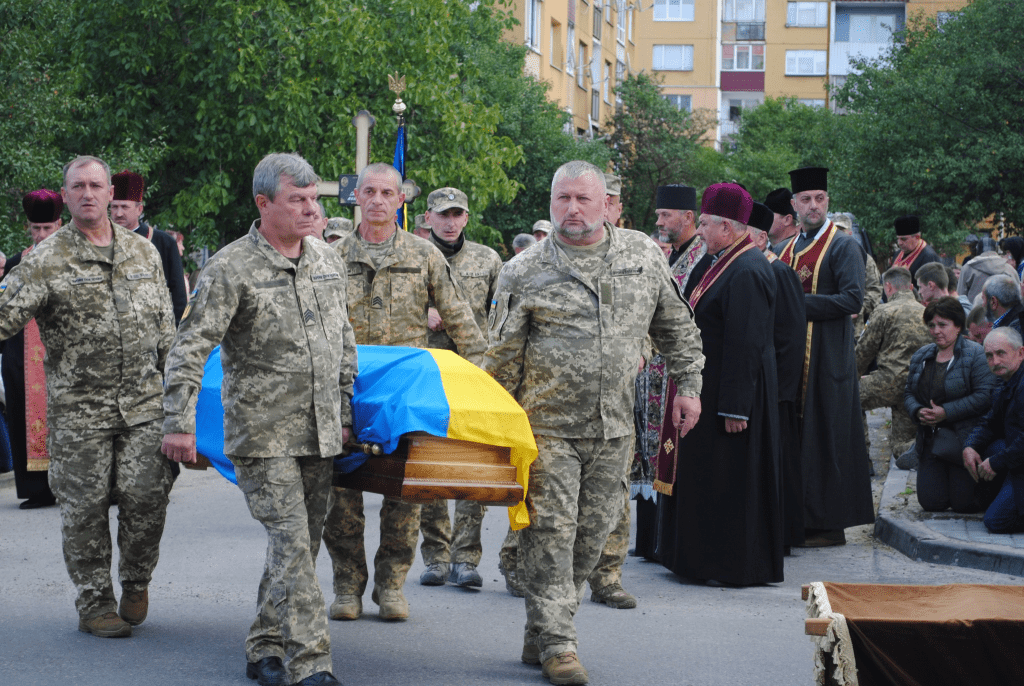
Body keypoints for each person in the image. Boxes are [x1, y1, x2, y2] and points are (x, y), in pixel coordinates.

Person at [484, 161, 704, 685]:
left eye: (584, 199)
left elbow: (675, 327)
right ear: (551, 201)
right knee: (552, 536)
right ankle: (560, 644)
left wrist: (689, 388)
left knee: (592, 538)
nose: (573, 209)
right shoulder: (524, 269)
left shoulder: (641, 256)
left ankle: (542, 629)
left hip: (613, 428)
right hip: (546, 429)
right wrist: (498, 431)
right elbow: (500, 356)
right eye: (563, 199)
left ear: (607, 204)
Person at [161, 153, 351, 686]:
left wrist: (345, 411)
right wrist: (178, 420)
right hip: (263, 435)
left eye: (315, 199)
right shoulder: (229, 266)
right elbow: (190, 346)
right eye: (299, 200)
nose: (312, 210)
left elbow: (344, 341)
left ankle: (264, 644)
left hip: (319, 431)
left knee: (301, 544)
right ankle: (311, 663)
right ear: (264, 204)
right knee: (292, 543)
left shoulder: (326, 260)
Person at [0, 155, 175, 639]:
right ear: (66, 195)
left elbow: (166, 330)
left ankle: (136, 580)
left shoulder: (145, 254)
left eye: (96, 185)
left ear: (109, 190)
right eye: (77, 186)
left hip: (144, 406)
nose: (88, 193)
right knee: (85, 510)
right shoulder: (46, 259)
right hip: (80, 412)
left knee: (147, 500)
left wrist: (181, 394)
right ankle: (95, 602)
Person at [323, 163, 485, 622]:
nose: (377, 199)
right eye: (368, 191)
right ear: (356, 197)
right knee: (341, 495)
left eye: (387, 192)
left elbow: (461, 321)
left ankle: (391, 585)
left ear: (401, 201)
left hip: (404, 395)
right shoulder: (329, 259)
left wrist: (485, 381)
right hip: (346, 391)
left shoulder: (424, 254)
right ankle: (347, 586)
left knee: (404, 495)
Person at [653, 183, 782, 585]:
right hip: (712, 390)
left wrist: (735, 409)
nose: (702, 231)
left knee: (727, 483)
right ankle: (697, 558)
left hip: (730, 402)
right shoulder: (725, 260)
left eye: (706, 224)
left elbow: (747, 345)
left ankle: (724, 564)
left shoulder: (747, 269)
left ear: (727, 227)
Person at [778, 167, 874, 547]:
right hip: (794, 359)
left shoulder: (843, 245)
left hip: (828, 359)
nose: (813, 205)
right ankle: (803, 519)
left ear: (828, 202)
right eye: (806, 199)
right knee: (802, 439)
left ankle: (829, 526)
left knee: (827, 438)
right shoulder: (788, 247)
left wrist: (796, 305)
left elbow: (853, 299)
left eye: (820, 198)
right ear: (794, 205)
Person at [416, 186, 502, 590]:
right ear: (427, 218)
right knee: (429, 464)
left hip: (473, 372)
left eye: (457, 214)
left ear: (467, 218)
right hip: (429, 372)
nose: (450, 222)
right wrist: (426, 312)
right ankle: (436, 556)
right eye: (442, 215)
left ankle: (466, 559)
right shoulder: (414, 257)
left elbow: (502, 315)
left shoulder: (487, 260)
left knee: (473, 465)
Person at [748, 201, 807, 550]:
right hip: (759, 385)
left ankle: (781, 534)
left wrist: (782, 390)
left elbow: (790, 335)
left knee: (779, 462)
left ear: (757, 237)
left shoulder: (778, 270)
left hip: (776, 389)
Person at [905, 297, 999, 516]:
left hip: (963, 439)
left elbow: (985, 396)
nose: (936, 331)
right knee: (931, 502)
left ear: (957, 326)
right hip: (931, 440)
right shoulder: (922, 356)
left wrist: (946, 412)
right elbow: (909, 392)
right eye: (932, 325)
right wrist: (918, 411)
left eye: (942, 325)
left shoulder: (976, 354)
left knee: (963, 505)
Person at [1, 189, 64, 509]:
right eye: (35, 229)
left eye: (47, 229)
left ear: (59, 224)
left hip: (66, 355)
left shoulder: (73, 259)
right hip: (24, 360)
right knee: (25, 416)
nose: (40, 235)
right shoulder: (16, 263)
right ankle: (37, 489)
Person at [855, 267, 931, 459]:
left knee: (850, 397)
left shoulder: (883, 311)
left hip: (888, 382)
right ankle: (921, 452)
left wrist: (851, 377)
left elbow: (864, 352)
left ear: (887, 286)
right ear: (911, 286)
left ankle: (861, 458)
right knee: (900, 443)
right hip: (917, 386)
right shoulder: (926, 312)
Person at [964, 328, 1024, 533]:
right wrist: (970, 446)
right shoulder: (1005, 380)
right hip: (1018, 457)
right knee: (989, 447)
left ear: (1021, 353)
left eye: (1001, 353)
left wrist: (998, 463)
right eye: (989, 356)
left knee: (995, 521)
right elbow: (990, 421)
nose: (995, 361)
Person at [109, 171, 188, 323]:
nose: (118, 213)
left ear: (139, 209)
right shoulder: (102, 240)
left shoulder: (164, 242)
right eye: (114, 207)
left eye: (124, 207)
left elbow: (179, 295)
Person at [832, 212, 881, 338]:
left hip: (855, 330)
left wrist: (859, 308)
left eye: (842, 230)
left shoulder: (864, 259)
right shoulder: (824, 258)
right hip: (828, 325)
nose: (838, 234)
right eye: (835, 231)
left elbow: (875, 290)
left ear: (850, 233)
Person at [655, 184, 706, 296]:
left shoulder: (706, 256)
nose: (658, 222)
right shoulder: (666, 255)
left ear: (688, 217)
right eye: (658, 215)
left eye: (665, 215)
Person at [958, 236, 1018, 302]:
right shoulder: (1009, 269)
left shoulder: (968, 268)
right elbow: (1018, 295)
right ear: (996, 249)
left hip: (975, 310)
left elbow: (961, 296)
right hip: (1004, 311)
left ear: (977, 249)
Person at [892, 215, 941, 281]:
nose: (899, 243)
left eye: (903, 239)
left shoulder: (929, 256)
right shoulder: (897, 254)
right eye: (898, 239)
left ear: (917, 237)